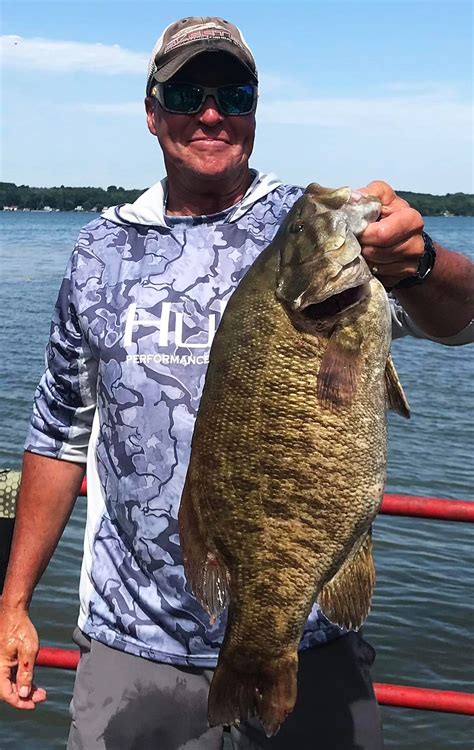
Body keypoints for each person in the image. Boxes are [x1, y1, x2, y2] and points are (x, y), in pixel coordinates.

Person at [0, 16, 473, 750]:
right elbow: (59, 434)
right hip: (132, 651)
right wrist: (15, 599)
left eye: (234, 92)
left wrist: (420, 260)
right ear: (153, 111)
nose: (211, 112)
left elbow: (462, 319)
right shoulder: (99, 251)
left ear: (256, 109)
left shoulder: (315, 233)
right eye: (187, 92)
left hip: (310, 641)